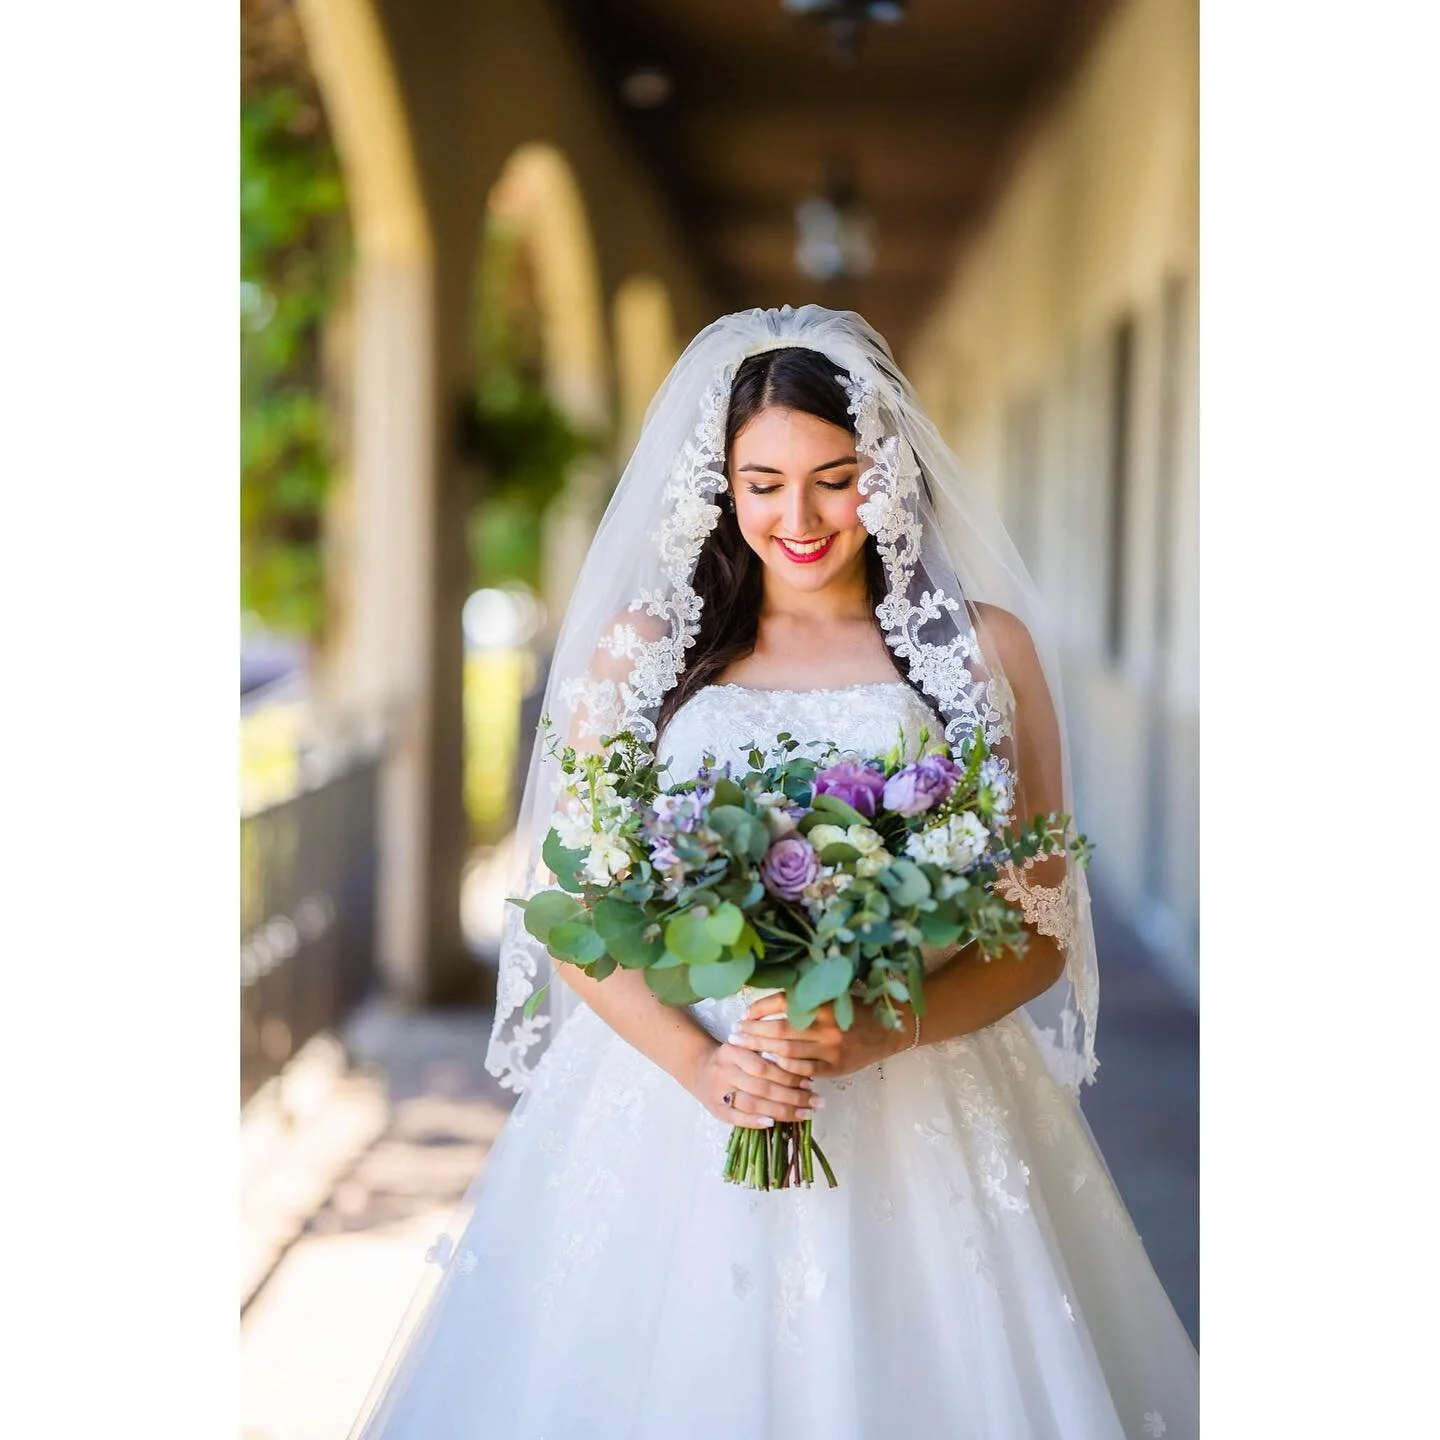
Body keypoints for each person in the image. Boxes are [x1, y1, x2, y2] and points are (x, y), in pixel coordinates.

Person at [347, 305, 1199, 1439]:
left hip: (921, 1098)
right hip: (676, 1104)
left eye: (835, 479)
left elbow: (1039, 934)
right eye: (762, 483)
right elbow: (577, 914)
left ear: (886, 470)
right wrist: (706, 1069)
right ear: (718, 481)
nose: (797, 518)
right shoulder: (644, 657)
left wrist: (879, 1032)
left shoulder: (981, 654)